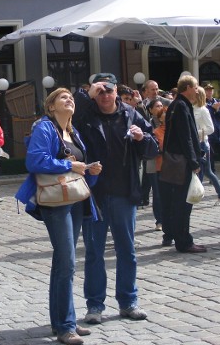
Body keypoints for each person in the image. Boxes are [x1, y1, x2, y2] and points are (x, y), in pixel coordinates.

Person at [15, 88, 102, 345]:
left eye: (70, 97)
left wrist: (89, 168)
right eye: (63, 98)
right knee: (67, 263)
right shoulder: (44, 127)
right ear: (51, 107)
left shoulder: (72, 132)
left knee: (63, 261)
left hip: (74, 199)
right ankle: (66, 327)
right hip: (56, 202)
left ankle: (61, 321)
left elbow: (79, 166)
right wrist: (70, 165)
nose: (69, 100)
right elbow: (35, 161)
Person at [72, 72, 157, 325]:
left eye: (109, 90)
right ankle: (95, 305)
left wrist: (142, 138)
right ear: (94, 94)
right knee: (94, 253)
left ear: (117, 92)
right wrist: (86, 94)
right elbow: (68, 117)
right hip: (95, 194)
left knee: (127, 251)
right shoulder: (86, 117)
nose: (106, 95)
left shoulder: (131, 115)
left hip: (124, 193)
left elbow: (152, 147)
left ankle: (128, 301)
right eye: (100, 91)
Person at [160, 75, 206, 253]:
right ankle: (184, 241)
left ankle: (180, 237)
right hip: (182, 162)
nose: (197, 90)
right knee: (182, 204)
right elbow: (185, 137)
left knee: (180, 203)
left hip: (180, 160)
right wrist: (194, 161)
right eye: (195, 87)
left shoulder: (178, 105)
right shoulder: (180, 106)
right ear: (187, 87)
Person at [193, 86, 220, 206]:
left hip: (202, 143)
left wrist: (197, 132)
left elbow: (211, 128)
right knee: (200, 170)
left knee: (207, 171)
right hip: (193, 143)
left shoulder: (203, 110)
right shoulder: (191, 108)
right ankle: (197, 193)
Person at [146, 98, 164, 230]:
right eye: (156, 106)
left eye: (161, 106)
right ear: (151, 110)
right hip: (153, 163)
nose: (159, 108)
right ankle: (159, 220)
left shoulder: (168, 124)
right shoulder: (148, 124)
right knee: (157, 193)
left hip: (167, 164)